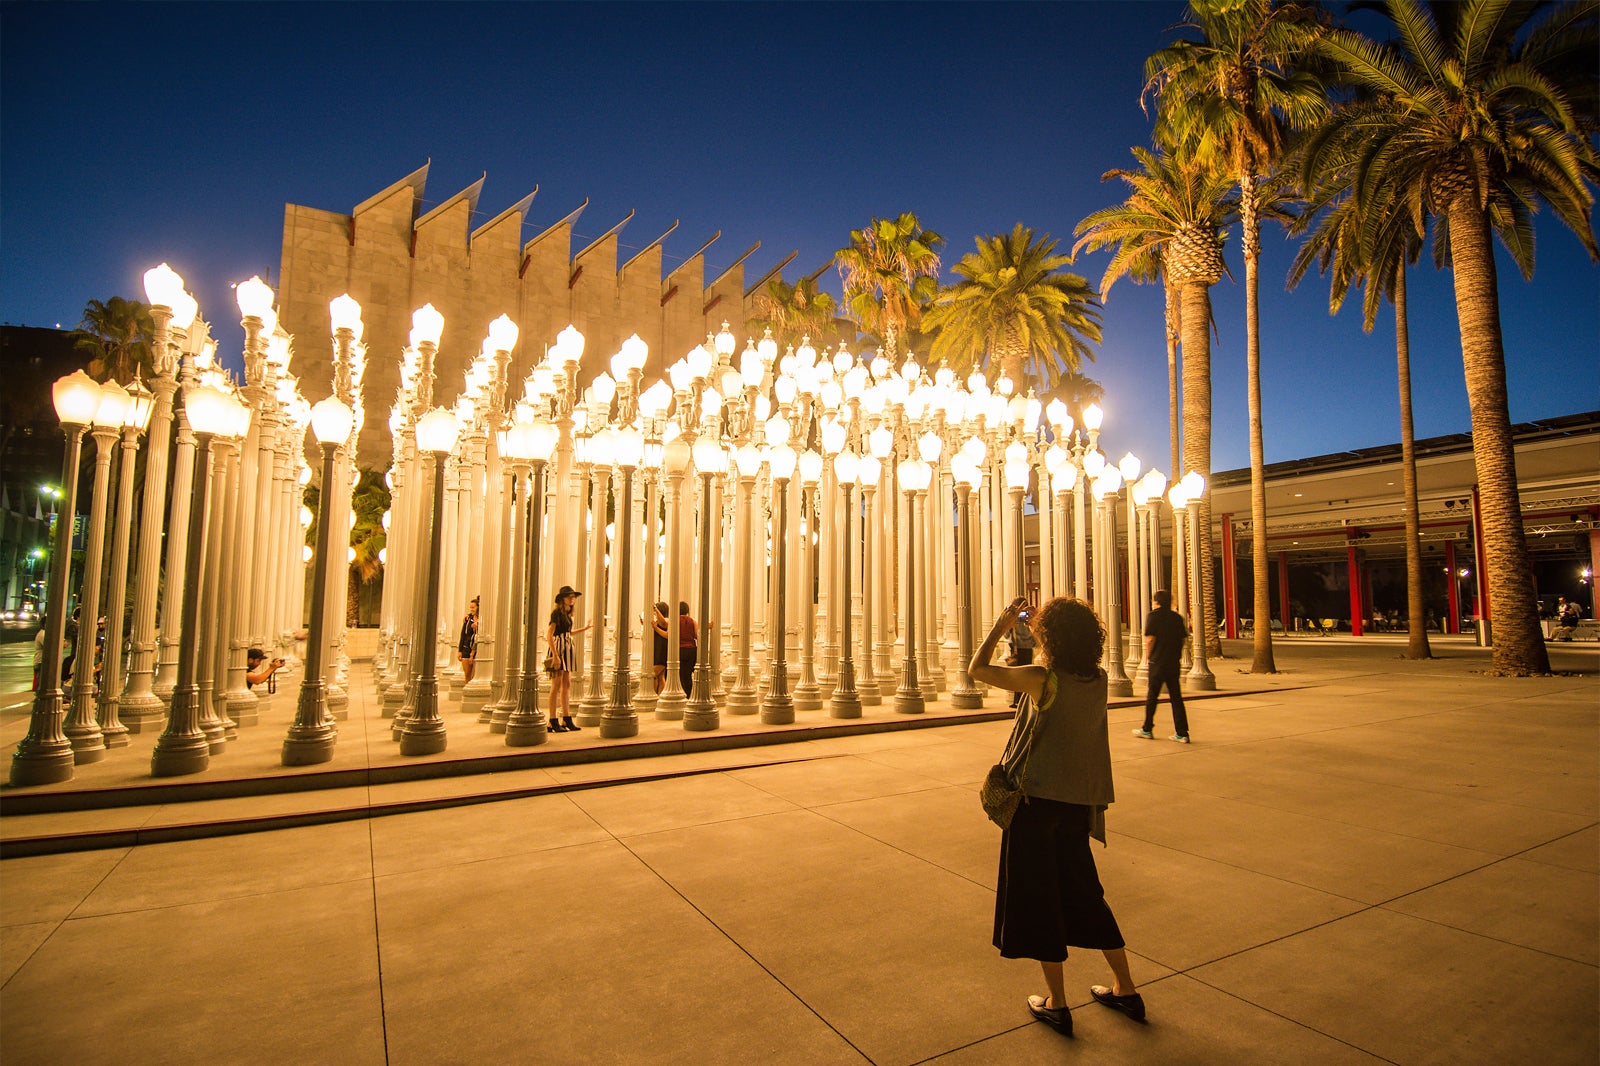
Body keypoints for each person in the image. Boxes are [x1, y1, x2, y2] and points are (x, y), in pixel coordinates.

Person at [970, 595, 1143, 1038]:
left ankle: (1058, 1002)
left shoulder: (1042, 679)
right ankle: (1126, 988)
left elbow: (978, 670)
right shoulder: (1098, 679)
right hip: (1074, 807)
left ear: (1052, 637)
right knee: (1087, 893)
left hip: (1034, 805)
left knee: (1038, 900)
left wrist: (1003, 624)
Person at [1136, 589, 1190, 744]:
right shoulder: (1176, 618)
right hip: (1173, 662)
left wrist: (1147, 656)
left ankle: (1147, 728)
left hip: (1158, 662)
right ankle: (1182, 732)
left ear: (1156, 602)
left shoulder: (1153, 616)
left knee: (1152, 696)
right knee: (1176, 697)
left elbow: (1150, 639)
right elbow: (1182, 640)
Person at [545, 585, 591, 733]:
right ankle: (552, 720)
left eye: (573, 597)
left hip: (567, 647)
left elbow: (568, 633)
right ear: (562, 599)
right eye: (569, 597)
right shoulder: (556, 614)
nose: (572, 599)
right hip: (559, 648)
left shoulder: (567, 615)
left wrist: (585, 628)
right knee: (556, 685)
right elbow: (550, 635)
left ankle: (566, 717)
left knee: (567, 684)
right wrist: (555, 655)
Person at [675, 601, 697, 697]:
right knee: (687, 675)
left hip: (679, 650)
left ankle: (682, 694)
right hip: (691, 650)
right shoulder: (692, 621)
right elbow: (696, 635)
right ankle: (689, 695)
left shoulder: (675, 621)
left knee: (679, 675)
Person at [649, 601, 670, 694]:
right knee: (660, 677)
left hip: (660, 650)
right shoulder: (657, 621)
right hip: (657, 649)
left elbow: (664, 623)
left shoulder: (666, 620)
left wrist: (655, 609)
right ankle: (659, 696)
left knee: (653, 675)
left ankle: (654, 695)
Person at [458, 596, 479, 683]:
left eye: (473, 607)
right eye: (470, 607)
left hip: (477, 649)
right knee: (467, 674)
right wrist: (460, 650)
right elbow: (463, 634)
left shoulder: (482, 620)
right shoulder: (468, 619)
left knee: (474, 675)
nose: (471, 609)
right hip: (466, 648)